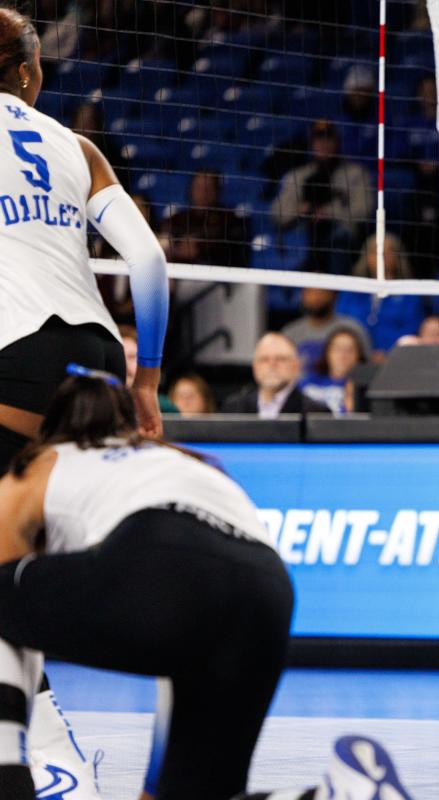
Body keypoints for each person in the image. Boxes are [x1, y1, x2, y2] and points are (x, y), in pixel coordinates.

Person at [0, 369, 410, 800]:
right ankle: (338, 795)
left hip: (166, 558)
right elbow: (175, 624)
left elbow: (16, 612)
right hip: (267, 587)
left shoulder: (34, 466)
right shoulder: (170, 458)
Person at [0, 11, 169, 792]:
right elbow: (149, 261)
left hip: (18, 358)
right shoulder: (78, 146)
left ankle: (51, 748)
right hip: (96, 360)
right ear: (31, 73)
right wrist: (147, 380)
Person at [271, 119, 372, 273]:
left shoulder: (355, 173)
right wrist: (300, 210)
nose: (324, 144)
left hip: (341, 239)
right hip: (305, 236)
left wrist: (328, 213)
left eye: (328, 138)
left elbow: (365, 210)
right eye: (319, 139)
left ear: (337, 142)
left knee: (340, 236)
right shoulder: (298, 176)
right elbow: (276, 215)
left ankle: (338, 290)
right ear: (312, 143)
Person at [335, 234, 426, 357]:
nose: (382, 255)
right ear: (366, 256)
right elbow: (341, 323)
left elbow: (412, 328)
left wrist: (388, 352)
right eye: (376, 251)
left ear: (397, 257)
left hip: (396, 358)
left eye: (389, 251)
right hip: (354, 358)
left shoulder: (410, 294)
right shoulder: (351, 291)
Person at [220, 332, 332, 417]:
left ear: (296, 367)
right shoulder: (233, 408)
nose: (272, 365)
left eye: (281, 359)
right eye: (264, 359)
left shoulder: (316, 412)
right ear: (255, 367)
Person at [282, 287, 370, 373]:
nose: (315, 297)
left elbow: (366, 366)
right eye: (310, 292)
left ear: (333, 295)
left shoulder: (352, 328)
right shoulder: (290, 332)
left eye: (321, 292)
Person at [299, 327, 365, 414]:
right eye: (337, 349)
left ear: (358, 356)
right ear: (327, 353)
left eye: (349, 350)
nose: (343, 355)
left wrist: (351, 395)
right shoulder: (308, 382)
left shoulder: (361, 390)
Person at [119, 325, 178, 413]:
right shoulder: (99, 407)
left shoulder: (163, 407)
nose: (126, 364)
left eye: (131, 357)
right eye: (119, 357)